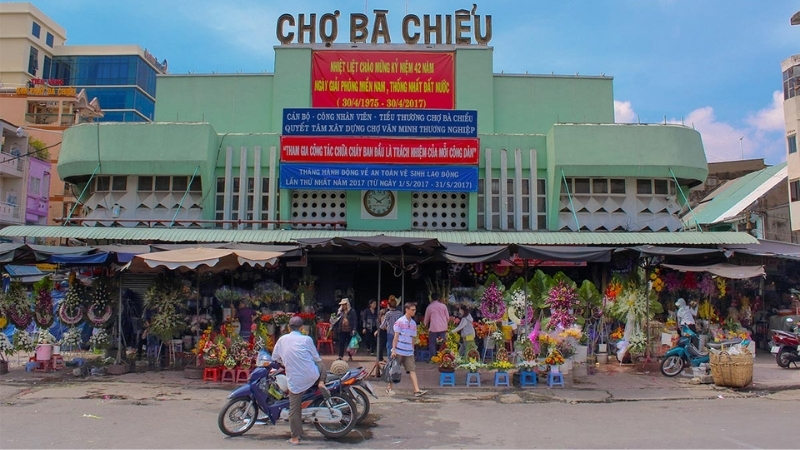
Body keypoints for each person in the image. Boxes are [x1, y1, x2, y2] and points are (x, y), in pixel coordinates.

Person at [271, 315, 326, 446]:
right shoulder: (307, 339)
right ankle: (322, 382)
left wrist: (285, 362)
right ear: (301, 328)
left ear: (289, 327)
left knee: (294, 409)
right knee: (321, 364)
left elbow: (275, 358)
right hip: (312, 376)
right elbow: (316, 358)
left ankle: (295, 438)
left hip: (295, 380)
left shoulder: (282, 340)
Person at [388, 302, 428, 397]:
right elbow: (396, 336)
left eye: (415, 310)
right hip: (399, 350)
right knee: (394, 370)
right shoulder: (400, 321)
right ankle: (389, 388)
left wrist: (412, 350)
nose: (414, 311)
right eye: (412, 310)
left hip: (409, 351)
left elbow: (413, 338)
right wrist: (393, 350)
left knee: (412, 370)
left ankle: (416, 390)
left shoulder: (413, 323)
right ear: (407, 310)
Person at [423, 293, 449, 359]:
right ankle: (443, 358)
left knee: (432, 344)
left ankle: (433, 358)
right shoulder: (444, 306)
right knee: (442, 343)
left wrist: (425, 325)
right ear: (438, 298)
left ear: (431, 299)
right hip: (443, 328)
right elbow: (447, 317)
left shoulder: (429, 307)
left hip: (433, 328)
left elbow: (426, 319)